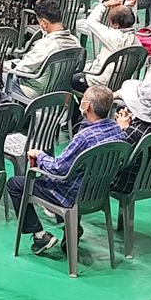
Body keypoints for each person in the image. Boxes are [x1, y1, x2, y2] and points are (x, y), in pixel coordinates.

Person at [8, 84, 125, 257]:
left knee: (15, 184)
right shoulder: (118, 130)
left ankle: (40, 236)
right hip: (97, 193)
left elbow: (59, 169)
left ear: (87, 105)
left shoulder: (84, 138)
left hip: (70, 195)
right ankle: (72, 227)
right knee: (78, 177)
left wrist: (39, 155)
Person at [4, 1, 77, 100]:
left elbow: (22, 68)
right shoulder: (75, 41)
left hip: (37, 92)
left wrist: (4, 66)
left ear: (44, 23)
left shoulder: (47, 44)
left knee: (2, 78)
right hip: (61, 90)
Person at [109, 79, 151, 194]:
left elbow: (113, 158)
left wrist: (121, 129)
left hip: (125, 183)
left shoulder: (133, 134)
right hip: (150, 180)